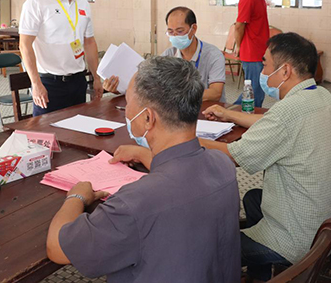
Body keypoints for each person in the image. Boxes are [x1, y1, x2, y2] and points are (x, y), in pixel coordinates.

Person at [46, 57, 240, 283]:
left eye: (127, 103)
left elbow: (57, 248)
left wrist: (77, 197)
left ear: (148, 118)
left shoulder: (135, 202)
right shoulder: (223, 165)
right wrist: (142, 154)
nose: (126, 111)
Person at [201, 32, 331, 281]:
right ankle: (260, 276)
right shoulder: (320, 96)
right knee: (254, 198)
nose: (262, 70)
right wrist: (231, 115)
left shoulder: (289, 111)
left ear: (285, 70)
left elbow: (234, 156)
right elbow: (273, 122)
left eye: (265, 63)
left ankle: (259, 261)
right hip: (323, 222)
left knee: (213, 249)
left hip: (298, 240)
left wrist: (184, 137)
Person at [19, 0, 103, 116]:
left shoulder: (83, 4)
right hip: (49, 83)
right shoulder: (37, 2)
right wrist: (35, 84)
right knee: (47, 134)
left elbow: (89, 42)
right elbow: (25, 44)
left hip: (78, 80)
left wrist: (97, 77)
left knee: (78, 133)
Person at [103, 6, 226, 102]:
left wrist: (175, 94)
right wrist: (118, 88)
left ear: (193, 29)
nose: (175, 36)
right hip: (179, 114)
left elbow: (215, 93)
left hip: (209, 111)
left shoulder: (213, 55)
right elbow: (149, 85)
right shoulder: (168, 55)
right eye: (170, 31)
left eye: (179, 31)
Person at [235, 0, 274, 108]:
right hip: (251, 53)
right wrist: (239, 46)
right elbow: (239, 26)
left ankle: (242, 116)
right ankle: (234, 115)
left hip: (260, 51)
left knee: (257, 90)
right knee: (254, 91)